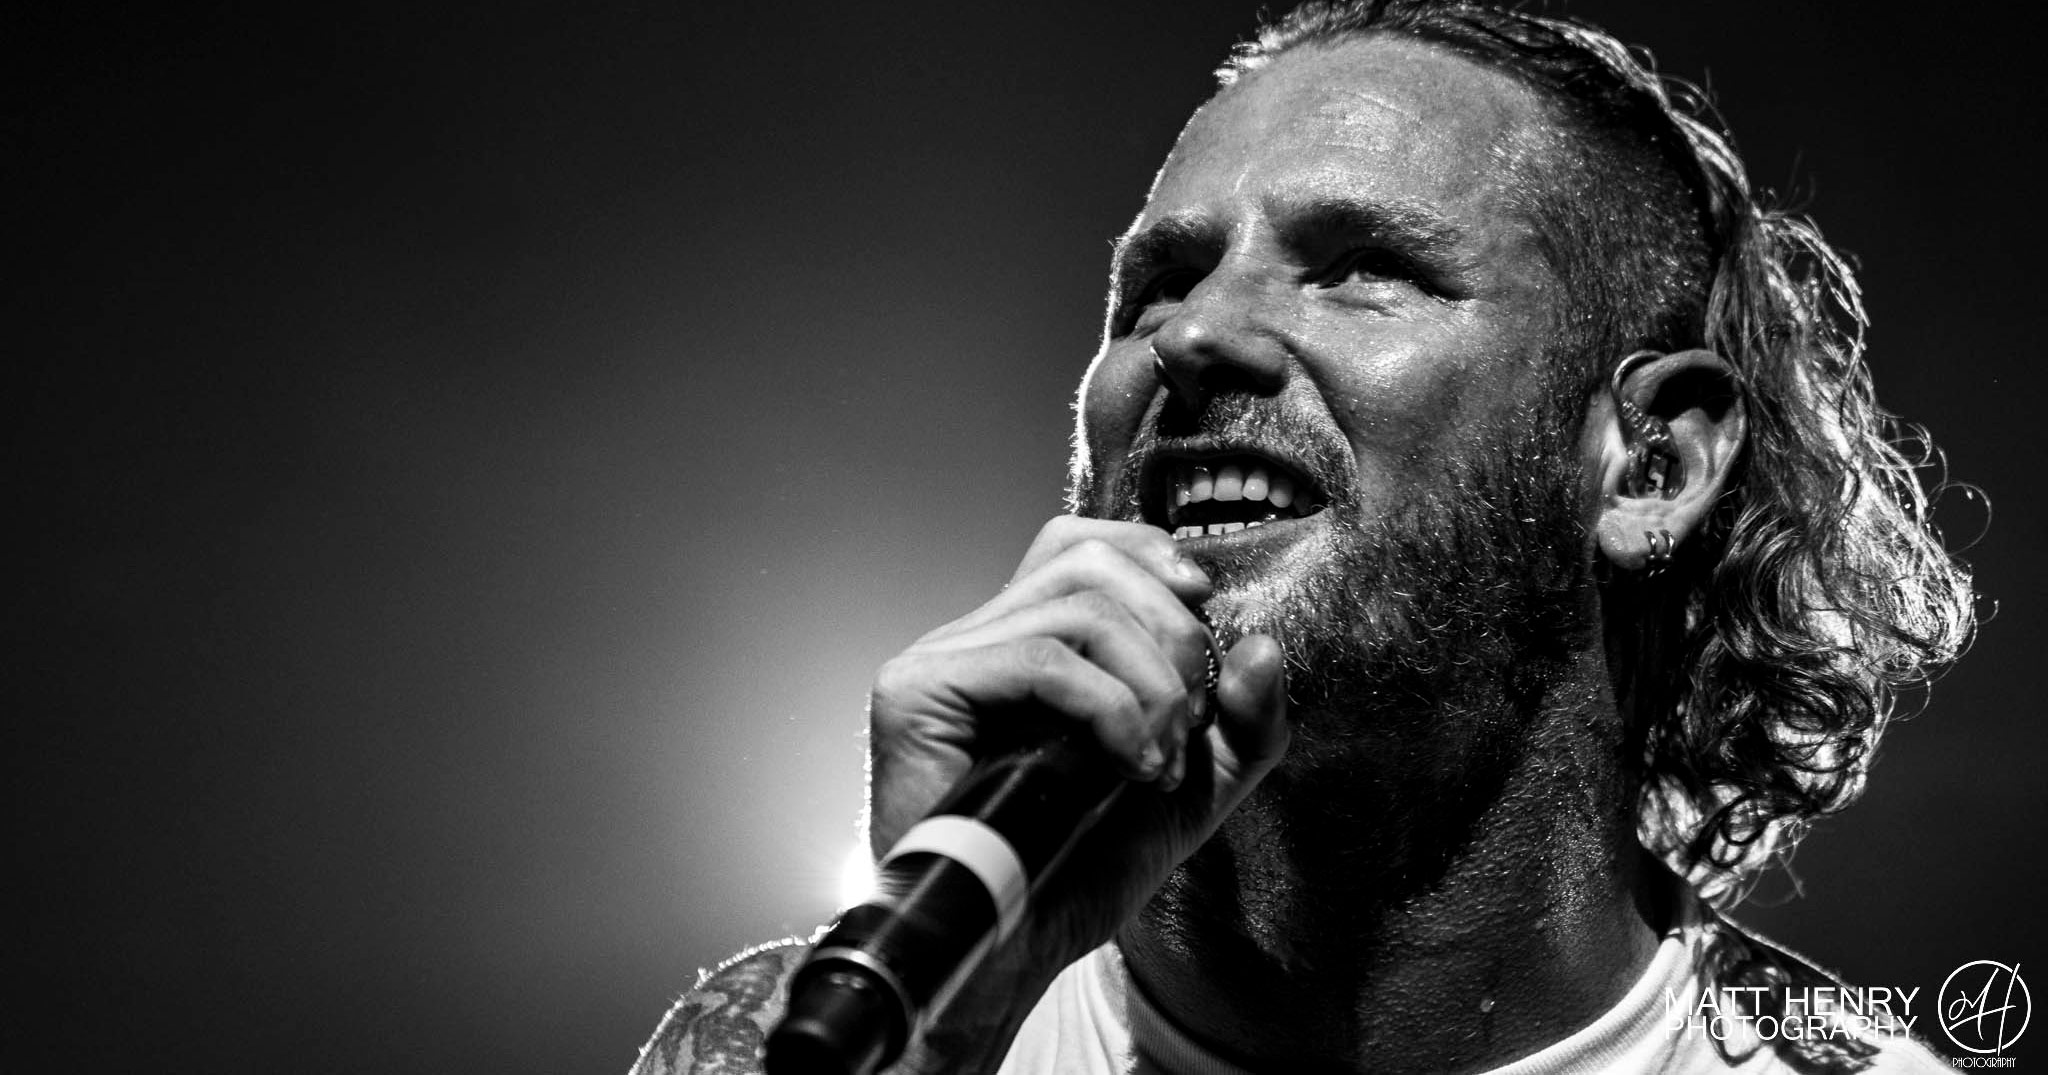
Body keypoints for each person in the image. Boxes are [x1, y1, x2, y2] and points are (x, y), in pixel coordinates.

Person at [631, 2, 1976, 1072]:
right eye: (1158, 283)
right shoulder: (825, 1036)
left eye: (1361, 267)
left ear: (1654, 464)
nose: (1195, 334)